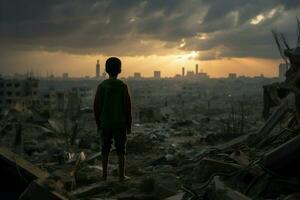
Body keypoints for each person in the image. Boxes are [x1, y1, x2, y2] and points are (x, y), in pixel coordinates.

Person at [94, 57, 132, 182]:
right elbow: (127, 107)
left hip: (105, 123)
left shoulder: (102, 86)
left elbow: (97, 107)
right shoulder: (122, 86)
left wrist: (99, 124)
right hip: (120, 124)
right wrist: (129, 125)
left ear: (106, 70)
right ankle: (121, 176)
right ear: (120, 70)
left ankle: (104, 176)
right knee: (121, 150)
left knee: (105, 149)